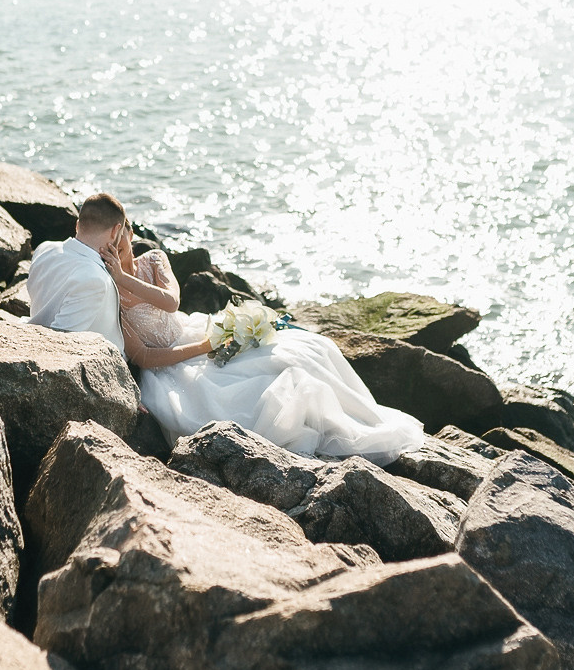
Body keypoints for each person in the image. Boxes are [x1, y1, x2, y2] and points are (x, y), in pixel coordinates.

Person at [100, 224, 424, 465]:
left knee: (313, 348)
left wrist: (122, 275)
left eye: (121, 242)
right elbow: (143, 357)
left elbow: (171, 302)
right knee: (276, 382)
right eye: (109, 249)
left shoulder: (154, 258)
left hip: (196, 328)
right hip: (176, 365)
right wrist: (206, 346)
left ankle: (368, 420)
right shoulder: (113, 299)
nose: (117, 251)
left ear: (128, 230)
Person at [25, 192, 131, 352]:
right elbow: (60, 342)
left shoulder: (44, 248)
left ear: (77, 225)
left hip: (34, 332)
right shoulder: (94, 279)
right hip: (92, 361)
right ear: (115, 231)